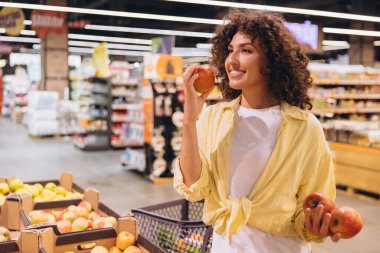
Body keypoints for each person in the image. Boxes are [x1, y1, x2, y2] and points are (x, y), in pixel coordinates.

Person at [173, 9, 340, 253]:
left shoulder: (304, 127)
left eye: (246, 50)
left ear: (272, 61)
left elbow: (315, 203)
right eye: (230, 50)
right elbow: (194, 185)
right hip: (225, 247)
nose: (232, 60)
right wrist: (190, 119)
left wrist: (319, 223)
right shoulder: (214, 117)